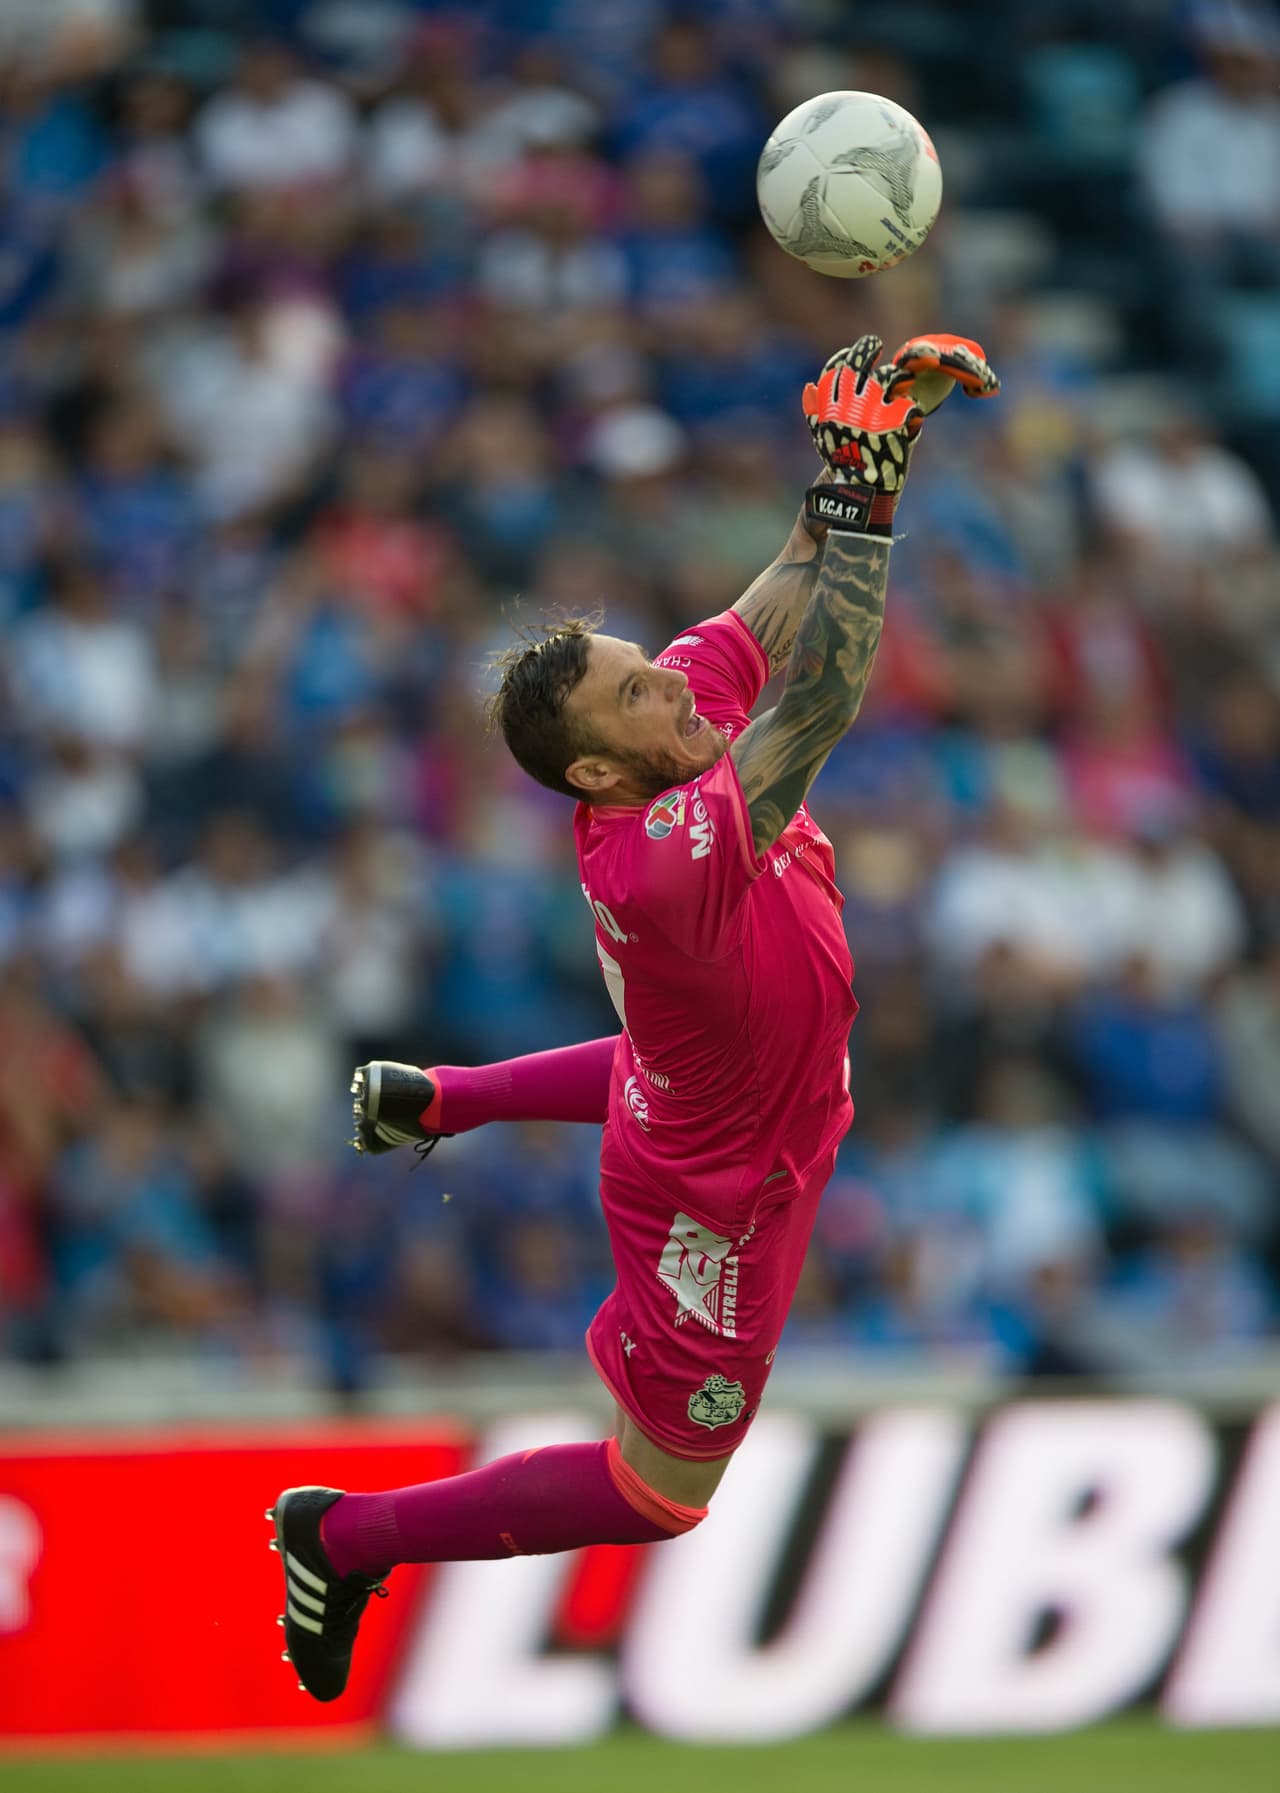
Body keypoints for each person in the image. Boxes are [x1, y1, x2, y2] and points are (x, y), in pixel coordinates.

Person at [267, 332, 999, 1701]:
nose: (671, 678)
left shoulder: (668, 736)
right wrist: (875, 507)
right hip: (710, 1202)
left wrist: (855, 455)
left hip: (727, 1095)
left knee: (676, 1057)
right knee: (661, 1491)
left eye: (645, 663)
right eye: (634, 687)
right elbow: (825, 693)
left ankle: (450, 1093)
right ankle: (344, 1533)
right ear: (600, 765)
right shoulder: (669, 844)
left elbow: (778, 602)